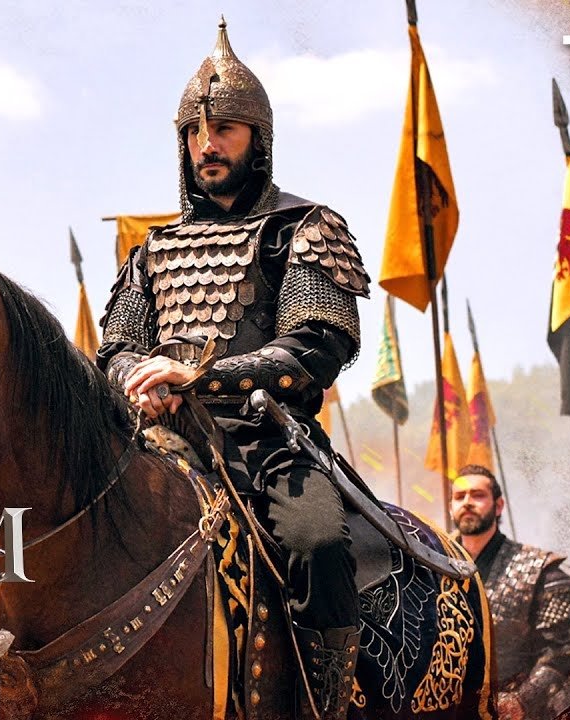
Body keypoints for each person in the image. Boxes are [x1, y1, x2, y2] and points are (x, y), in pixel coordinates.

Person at [96, 19, 368, 718]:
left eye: (225, 130)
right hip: (156, 442)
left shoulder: (304, 228)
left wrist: (198, 379)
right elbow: (115, 348)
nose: (207, 145)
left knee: (316, 540)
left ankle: (328, 704)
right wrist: (139, 380)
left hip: (267, 444)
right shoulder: (153, 249)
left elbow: (314, 348)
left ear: (258, 139)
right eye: (195, 132)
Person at [449, 465, 570, 719]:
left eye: (477, 495)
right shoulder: (431, 567)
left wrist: (522, 701)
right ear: (451, 507)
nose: (467, 502)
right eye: (459, 496)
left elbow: (565, 648)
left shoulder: (538, 569)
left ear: (498, 506)